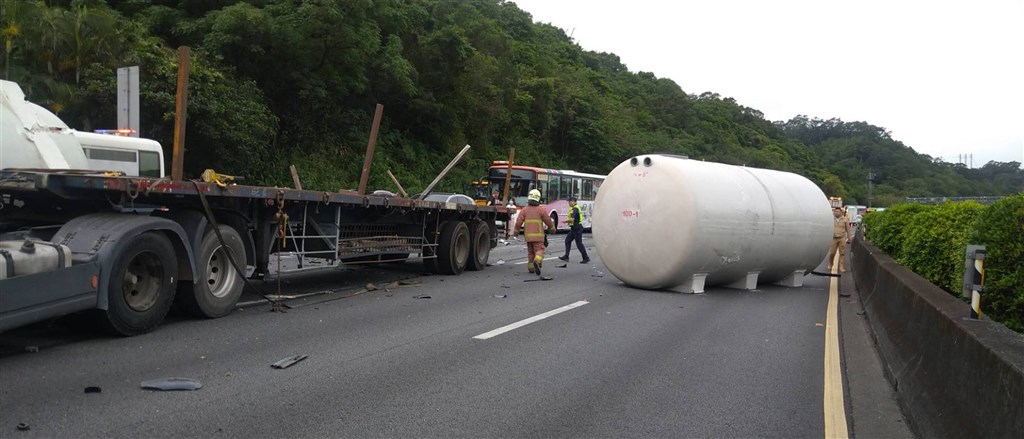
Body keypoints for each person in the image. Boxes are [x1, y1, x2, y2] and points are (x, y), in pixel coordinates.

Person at [513, 189, 555, 275]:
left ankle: (531, 268)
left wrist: (516, 232)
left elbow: (518, 222)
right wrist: (552, 228)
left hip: (528, 236)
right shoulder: (541, 210)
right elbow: (548, 220)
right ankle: (537, 260)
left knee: (530, 252)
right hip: (538, 236)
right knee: (539, 250)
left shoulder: (524, 210)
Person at [558, 197, 590, 264]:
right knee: (567, 240)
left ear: (574, 201)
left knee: (579, 244)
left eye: (570, 201)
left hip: (577, 228)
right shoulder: (574, 208)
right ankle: (566, 256)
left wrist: (565, 221)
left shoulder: (575, 209)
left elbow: (572, 219)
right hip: (574, 228)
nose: (569, 203)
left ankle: (586, 258)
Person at [827, 206, 850, 273]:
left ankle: (841, 267)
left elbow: (848, 229)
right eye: (835, 211)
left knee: (842, 253)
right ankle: (831, 263)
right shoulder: (831, 219)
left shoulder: (845, 220)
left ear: (841, 212)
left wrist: (849, 238)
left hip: (842, 238)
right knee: (832, 252)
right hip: (834, 238)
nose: (836, 213)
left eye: (838, 211)